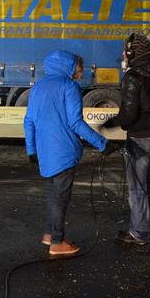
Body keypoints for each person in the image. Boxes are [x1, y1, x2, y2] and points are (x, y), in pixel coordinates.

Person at [24, 50, 112, 257]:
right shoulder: (69, 86)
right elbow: (75, 123)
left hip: (45, 151)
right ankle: (57, 242)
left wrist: (31, 150)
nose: (80, 73)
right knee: (61, 197)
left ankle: (49, 234)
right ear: (69, 67)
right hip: (63, 150)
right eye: (78, 69)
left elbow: (29, 121)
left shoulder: (38, 87)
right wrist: (103, 144)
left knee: (53, 194)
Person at [104, 33, 150, 245]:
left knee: (138, 187)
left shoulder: (133, 76)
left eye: (127, 50)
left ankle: (140, 233)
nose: (124, 54)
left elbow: (129, 114)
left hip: (141, 138)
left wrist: (111, 124)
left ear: (133, 52)